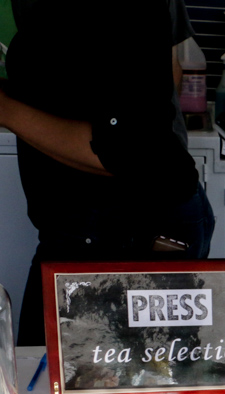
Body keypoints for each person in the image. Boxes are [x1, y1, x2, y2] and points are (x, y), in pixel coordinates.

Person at [0, 0, 214, 346]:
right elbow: (168, 70)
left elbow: (132, 151)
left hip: (123, 228)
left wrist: (6, 110)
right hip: (85, 225)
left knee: (74, 385)